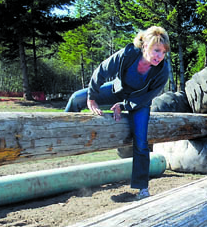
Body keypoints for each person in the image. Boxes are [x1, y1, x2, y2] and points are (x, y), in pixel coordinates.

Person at [65, 26, 170, 200]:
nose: (159, 56)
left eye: (163, 52)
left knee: (141, 141)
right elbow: (102, 70)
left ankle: (142, 187)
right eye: (156, 50)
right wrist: (91, 98)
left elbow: (146, 97)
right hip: (117, 89)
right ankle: (62, 134)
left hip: (140, 102)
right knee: (77, 98)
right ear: (144, 46)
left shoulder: (163, 70)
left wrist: (123, 105)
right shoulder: (128, 54)